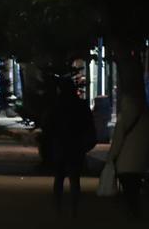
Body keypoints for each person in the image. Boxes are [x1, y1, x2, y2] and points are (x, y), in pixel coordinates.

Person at [44, 77, 97, 217]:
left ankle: (58, 207)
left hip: (61, 145)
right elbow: (89, 126)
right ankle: (74, 208)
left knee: (59, 178)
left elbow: (49, 127)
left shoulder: (56, 106)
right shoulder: (80, 106)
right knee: (74, 179)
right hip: (76, 146)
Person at [108, 92, 149, 219]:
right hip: (140, 161)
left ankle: (131, 209)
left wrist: (111, 157)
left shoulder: (123, 117)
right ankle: (135, 209)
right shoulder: (145, 118)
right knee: (135, 185)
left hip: (124, 162)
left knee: (127, 187)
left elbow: (117, 141)